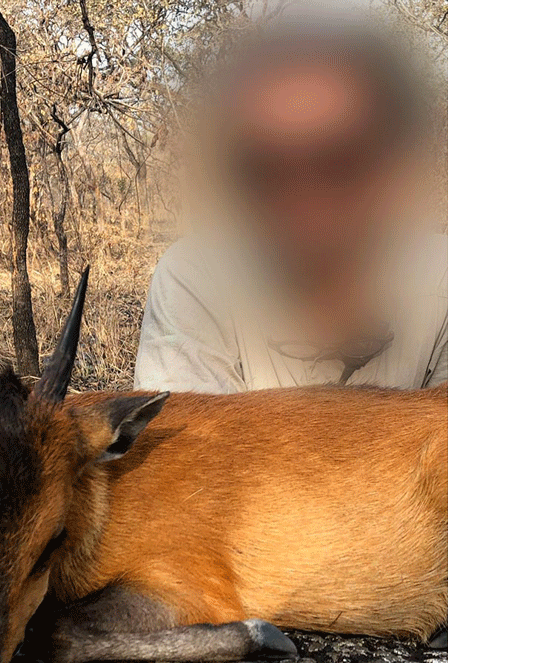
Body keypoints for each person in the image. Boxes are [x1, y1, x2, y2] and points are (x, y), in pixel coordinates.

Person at [134, 16, 447, 394]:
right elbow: (192, 450)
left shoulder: (439, 278)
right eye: (266, 171)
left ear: (392, 170)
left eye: (341, 165)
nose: (307, 216)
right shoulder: (191, 280)